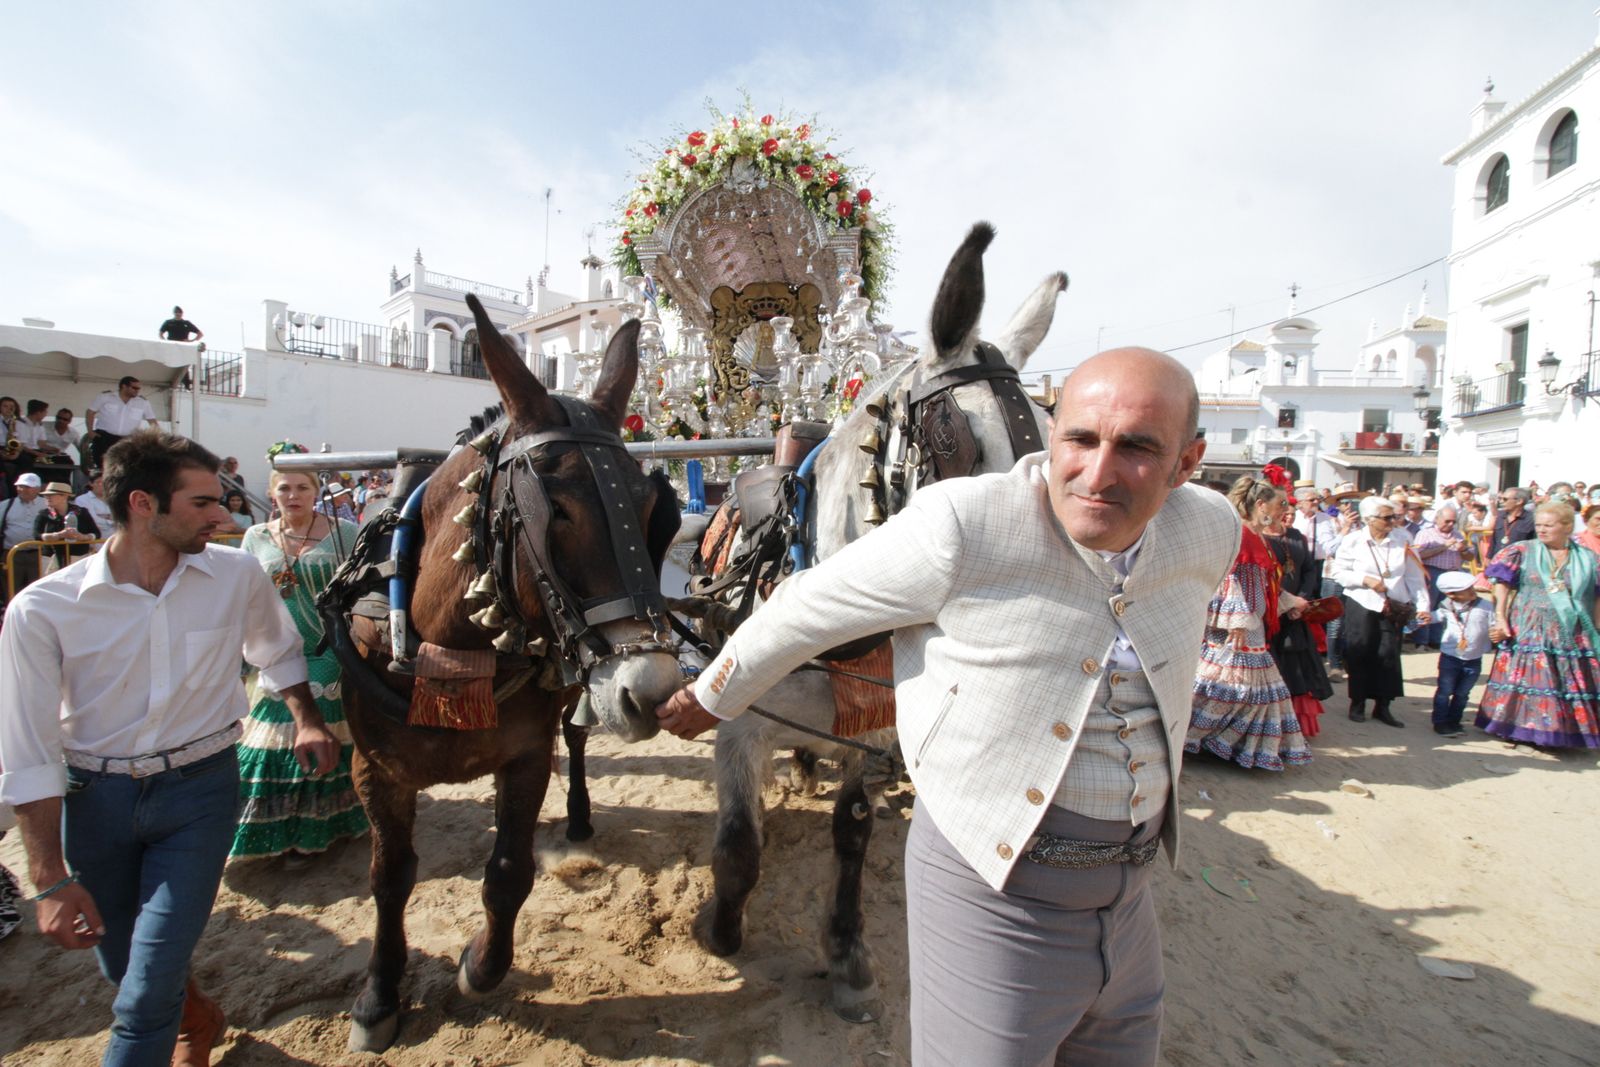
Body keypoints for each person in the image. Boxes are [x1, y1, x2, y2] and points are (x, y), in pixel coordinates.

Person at [656, 347, 1238, 1066]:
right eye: (1081, 438)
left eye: (1139, 448)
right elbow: (804, 605)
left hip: (1132, 899)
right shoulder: (967, 523)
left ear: (1188, 462)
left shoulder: (1211, 530)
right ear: (1055, 434)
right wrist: (711, 695)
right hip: (996, 891)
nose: (1098, 471)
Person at [0, 431, 340, 1066]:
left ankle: (177, 1033)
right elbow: (27, 750)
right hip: (93, 804)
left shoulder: (235, 574)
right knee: (121, 962)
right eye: (204, 503)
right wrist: (48, 878)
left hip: (202, 792)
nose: (225, 517)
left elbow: (277, 652)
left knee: (144, 990)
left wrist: (307, 719)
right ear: (141, 503)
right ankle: (197, 1015)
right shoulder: (42, 609)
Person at [232, 470, 366, 863]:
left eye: (303, 487)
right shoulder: (255, 537)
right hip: (277, 647)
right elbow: (246, 594)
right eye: (284, 488)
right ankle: (275, 831)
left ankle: (321, 827)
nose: (293, 495)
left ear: (317, 491)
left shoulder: (345, 532)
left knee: (319, 717)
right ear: (272, 493)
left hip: (330, 645)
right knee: (268, 732)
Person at [1186, 475, 1312, 769]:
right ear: (1260, 504)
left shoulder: (1258, 538)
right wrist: (1238, 622)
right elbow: (1229, 580)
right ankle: (1189, 737)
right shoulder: (1242, 535)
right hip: (1237, 628)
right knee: (1230, 690)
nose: (1285, 509)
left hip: (1250, 624)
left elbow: (1263, 584)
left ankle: (1233, 746)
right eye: (1281, 503)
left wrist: (1290, 602)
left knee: (1253, 693)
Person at [1476, 502, 1600, 749]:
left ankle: (1563, 732)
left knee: (1566, 679)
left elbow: (1596, 595)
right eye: (1539, 525)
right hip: (1529, 627)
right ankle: (1525, 732)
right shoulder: (1522, 550)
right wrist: (1500, 616)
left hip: (1572, 631)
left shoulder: (1588, 558)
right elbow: (1501, 584)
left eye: (1548, 525)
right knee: (1534, 679)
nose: (1541, 530)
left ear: (1566, 527)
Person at [1330, 496, 1431, 727]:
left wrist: (1423, 606)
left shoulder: (1403, 539)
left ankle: (1383, 706)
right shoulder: (1354, 540)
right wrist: (1365, 580)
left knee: (1388, 655)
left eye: (1394, 516)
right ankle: (1358, 703)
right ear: (1369, 519)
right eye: (1386, 517)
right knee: (1360, 652)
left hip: (1394, 605)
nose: (1392, 521)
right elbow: (1339, 572)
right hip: (1362, 602)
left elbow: (1414, 576)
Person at [1269, 491, 1335, 740]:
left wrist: (1303, 601)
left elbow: (1309, 570)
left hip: (1297, 613)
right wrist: (1285, 601)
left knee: (1297, 665)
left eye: (1292, 512)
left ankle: (1294, 722)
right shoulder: (1258, 538)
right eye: (1283, 510)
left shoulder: (1298, 537)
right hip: (1271, 612)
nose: (1288, 515)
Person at [1431, 571, 1493, 738]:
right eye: (1466, 589)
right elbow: (1434, 617)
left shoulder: (1486, 606)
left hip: (1474, 659)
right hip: (1450, 657)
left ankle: (1454, 722)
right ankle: (1440, 722)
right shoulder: (1446, 607)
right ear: (1451, 594)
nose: (1473, 591)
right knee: (1445, 691)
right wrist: (1421, 618)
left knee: (1462, 693)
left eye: (1472, 587)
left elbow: (1494, 623)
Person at [1412, 505, 1472, 650]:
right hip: (1432, 572)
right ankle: (1421, 640)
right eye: (1447, 521)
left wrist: (1463, 549)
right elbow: (1418, 555)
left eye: (1453, 521)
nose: (1450, 525)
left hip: (1452, 573)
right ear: (1437, 519)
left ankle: (1436, 640)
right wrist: (1443, 547)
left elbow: (1470, 557)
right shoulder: (1426, 534)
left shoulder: (1458, 535)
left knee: (1445, 607)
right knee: (1427, 605)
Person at [85, 377, 159, 471]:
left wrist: (157, 438)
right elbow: (90, 412)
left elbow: (152, 420)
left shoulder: (143, 402)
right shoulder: (106, 397)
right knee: (102, 467)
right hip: (104, 438)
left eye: (138, 388)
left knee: (126, 469)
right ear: (124, 386)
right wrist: (90, 431)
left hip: (128, 440)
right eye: (134, 388)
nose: (137, 391)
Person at [1, 472, 48, 600]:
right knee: (11, 590)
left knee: (38, 590)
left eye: (27, 487)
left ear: (38, 489)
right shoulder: (5, 505)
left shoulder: (47, 505)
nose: (23, 490)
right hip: (12, 555)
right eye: (20, 486)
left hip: (38, 555)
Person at [34, 480, 101, 568]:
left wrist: (83, 537)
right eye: (46, 495)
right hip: (52, 560)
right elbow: (36, 535)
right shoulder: (44, 514)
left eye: (51, 495)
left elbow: (96, 534)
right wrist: (58, 535)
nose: (47, 497)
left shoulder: (81, 512)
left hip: (77, 559)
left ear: (65, 496)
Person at [1491, 487, 1535, 557]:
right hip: (1498, 561)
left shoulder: (1531, 519)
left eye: (1505, 499)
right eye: (1500, 499)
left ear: (1519, 501)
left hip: (1519, 562)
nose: (1501, 501)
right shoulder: (1500, 515)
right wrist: (1489, 557)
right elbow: (1494, 540)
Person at [75, 470, 116, 537]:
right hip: (95, 542)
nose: (102, 485)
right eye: (99, 482)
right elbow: (92, 520)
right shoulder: (82, 499)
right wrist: (111, 520)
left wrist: (103, 517)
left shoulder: (114, 499)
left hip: (114, 539)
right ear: (91, 483)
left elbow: (121, 519)